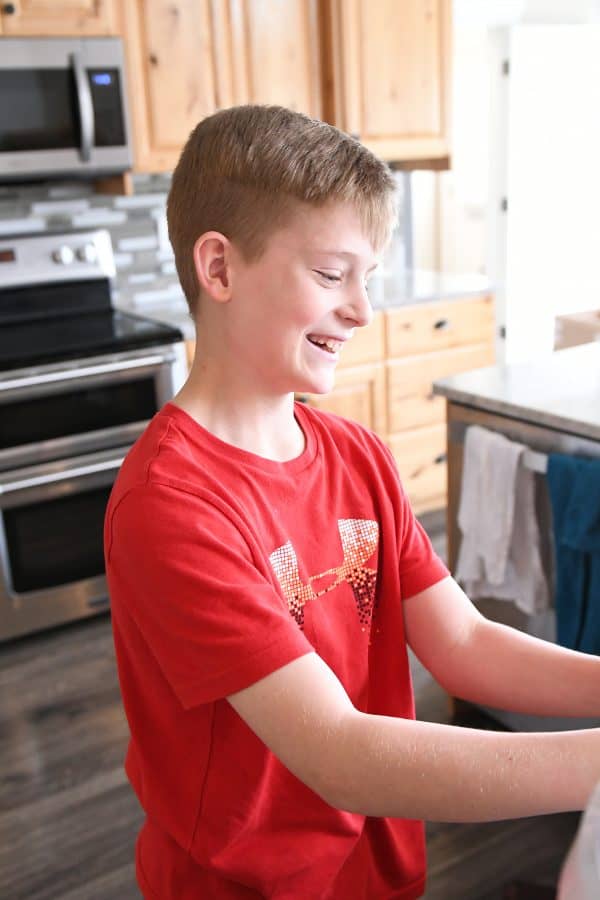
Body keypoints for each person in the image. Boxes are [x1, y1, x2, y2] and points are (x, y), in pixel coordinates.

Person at [104, 105, 600, 900]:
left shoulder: (356, 455)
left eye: (367, 278)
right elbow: (337, 752)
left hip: (376, 862)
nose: (362, 310)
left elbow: (463, 643)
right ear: (220, 269)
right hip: (245, 886)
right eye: (332, 275)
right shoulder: (171, 506)